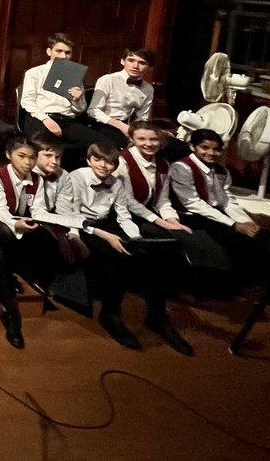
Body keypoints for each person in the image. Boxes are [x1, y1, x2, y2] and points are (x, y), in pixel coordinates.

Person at [58, 142, 193, 354]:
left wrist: (135, 238)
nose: (104, 166)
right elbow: (70, 215)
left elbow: (123, 215)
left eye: (110, 162)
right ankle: (110, 314)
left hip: (105, 222)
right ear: (88, 160)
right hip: (80, 226)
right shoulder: (75, 178)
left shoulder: (117, 181)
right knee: (113, 255)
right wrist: (75, 238)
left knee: (152, 255)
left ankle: (157, 316)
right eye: (98, 160)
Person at [0, 137, 79, 349]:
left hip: (21, 221)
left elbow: (38, 208)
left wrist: (50, 223)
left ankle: (36, 279)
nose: (27, 162)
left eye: (31, 158)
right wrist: (16, 224)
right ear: (9, 155)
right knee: (5, 241)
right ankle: (11, 314)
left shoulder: (37, 179)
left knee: (48, 237)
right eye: (22, 156)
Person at [170, 128, 270, 286]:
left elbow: (227, 200)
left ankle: (268, 274)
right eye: (205, 147)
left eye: (216, 149)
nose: (211, 152)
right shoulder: (182, 167)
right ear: (193, 147)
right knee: (232, 237)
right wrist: (234, 224)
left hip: (214, 212)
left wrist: (245, 221)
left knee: (260, 234)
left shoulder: (222, 171)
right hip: (189, 215)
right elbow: (193, 204)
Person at [116, 120, 229, 282]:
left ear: (160, 141)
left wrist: (174, 221)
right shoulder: (123, 161)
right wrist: (166, 224)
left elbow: (162, 201)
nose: (148, 144)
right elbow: (129, 201)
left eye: (153, 139)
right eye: (141, 139)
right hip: (124, 214)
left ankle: (212, 280)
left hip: (147, 212)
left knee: (191, 233)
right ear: (133, 139)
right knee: (171, 238)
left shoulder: (164, 165)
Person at [20, 33, 96, 167]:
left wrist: (77, 99)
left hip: (66, 120)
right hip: (41, 118)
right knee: (46, 146)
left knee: (98, 143)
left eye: (67, 52)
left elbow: (80, 109)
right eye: (59, 51)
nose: (63, 56)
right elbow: (27, 101)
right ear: (49, 51)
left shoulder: (74, 74)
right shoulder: (35, 73)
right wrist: (47, 120)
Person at [87, 47, 156, 149]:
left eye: (142, 63)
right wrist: (119, 125)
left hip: (129, 126)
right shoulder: (107, 80)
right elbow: (93, 110)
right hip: (104, 124)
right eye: (131, 60)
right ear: (122, 61)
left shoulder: (148, 88)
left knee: (166, 145)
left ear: (150, 67)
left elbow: (143, 117)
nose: (135, 66)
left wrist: (139, 132)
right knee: (127, 146)